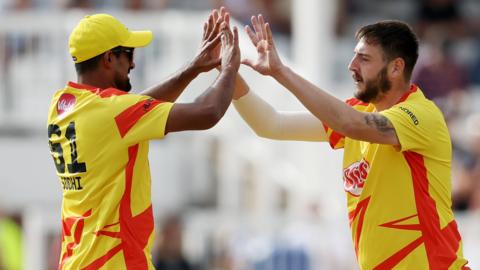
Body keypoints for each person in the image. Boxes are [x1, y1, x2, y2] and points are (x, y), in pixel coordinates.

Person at [232, 14, 470, 269]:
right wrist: (227, 71)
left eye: (364, 58)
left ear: (396, 67)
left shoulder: (421, 115)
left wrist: (280, 71)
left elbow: (350, 124)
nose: (351, 65)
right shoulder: (359, 113)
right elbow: (270, 124)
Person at [47, 9, 240, 269]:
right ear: (108, 59)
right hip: (116, 261)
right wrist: (229, 68)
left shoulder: (62, 104)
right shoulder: (112, 113)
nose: (133, 64)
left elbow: (133, 110)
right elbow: (209, 112)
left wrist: (192, 69)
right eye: (127, 55)